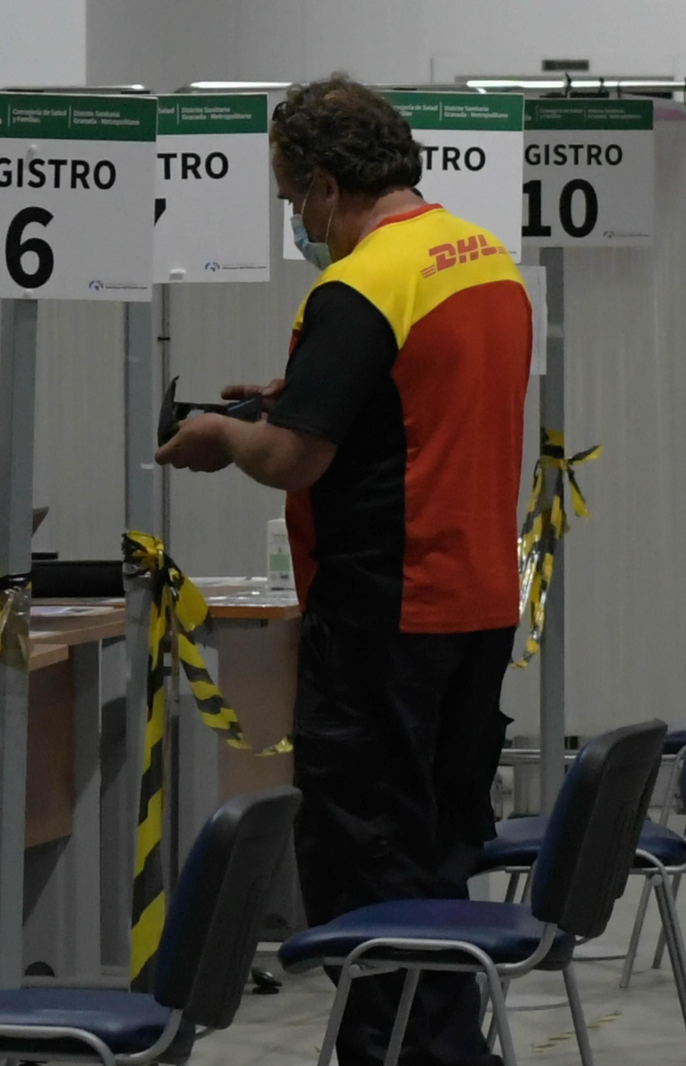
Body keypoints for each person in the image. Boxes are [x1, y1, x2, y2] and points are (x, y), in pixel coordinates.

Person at [156, 75, 531, 1066]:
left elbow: (293, 458)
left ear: (324, 183)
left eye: (291, 201)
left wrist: (225, 438)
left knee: (370, 870)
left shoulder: (363, 281)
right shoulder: (481, 256)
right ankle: (454, 1048)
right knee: (438, 856)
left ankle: (410, 1052)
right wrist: (292, 393)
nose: (296, 220)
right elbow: (418, 401)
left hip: (385, 613)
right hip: (479, 603)